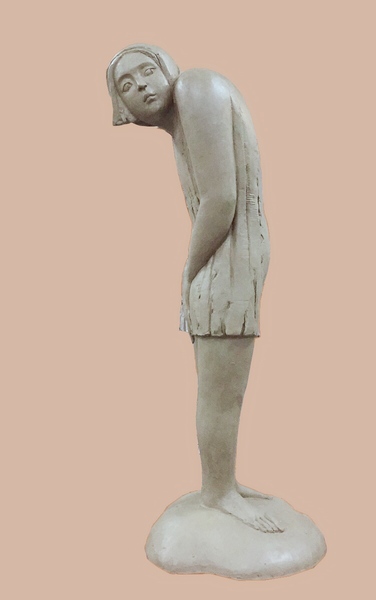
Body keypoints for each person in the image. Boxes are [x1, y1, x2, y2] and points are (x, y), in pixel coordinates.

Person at [107, 44, 282, 533]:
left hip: (227, 258)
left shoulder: (195, 87)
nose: (141, 85)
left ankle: (220, 490)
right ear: (122, 107)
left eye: (147, 70)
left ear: (167, 68)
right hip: (230, 258)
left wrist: (187, 272)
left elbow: (221, 199)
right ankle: (220, 485)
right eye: (126, 85)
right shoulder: (186, 111)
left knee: (220, 393)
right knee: (219, 388)